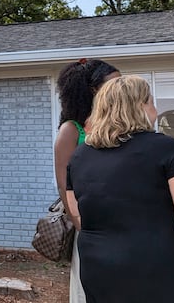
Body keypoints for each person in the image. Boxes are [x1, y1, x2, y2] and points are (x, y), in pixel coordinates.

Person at [66, 75, 174, 302]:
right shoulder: (167, 149)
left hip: (96, 266)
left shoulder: (78, 157)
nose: (155, 109)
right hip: (153, 268)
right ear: (140, 106)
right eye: (151, 102)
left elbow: (77, 213)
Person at [54, 58, 119, 303]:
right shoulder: (71, 130)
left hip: (122, 224)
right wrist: (83, 226)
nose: (121, 88)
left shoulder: (118, 126)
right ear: (94, 91)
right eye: (114, 83)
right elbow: (64, 184)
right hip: (91, 226)